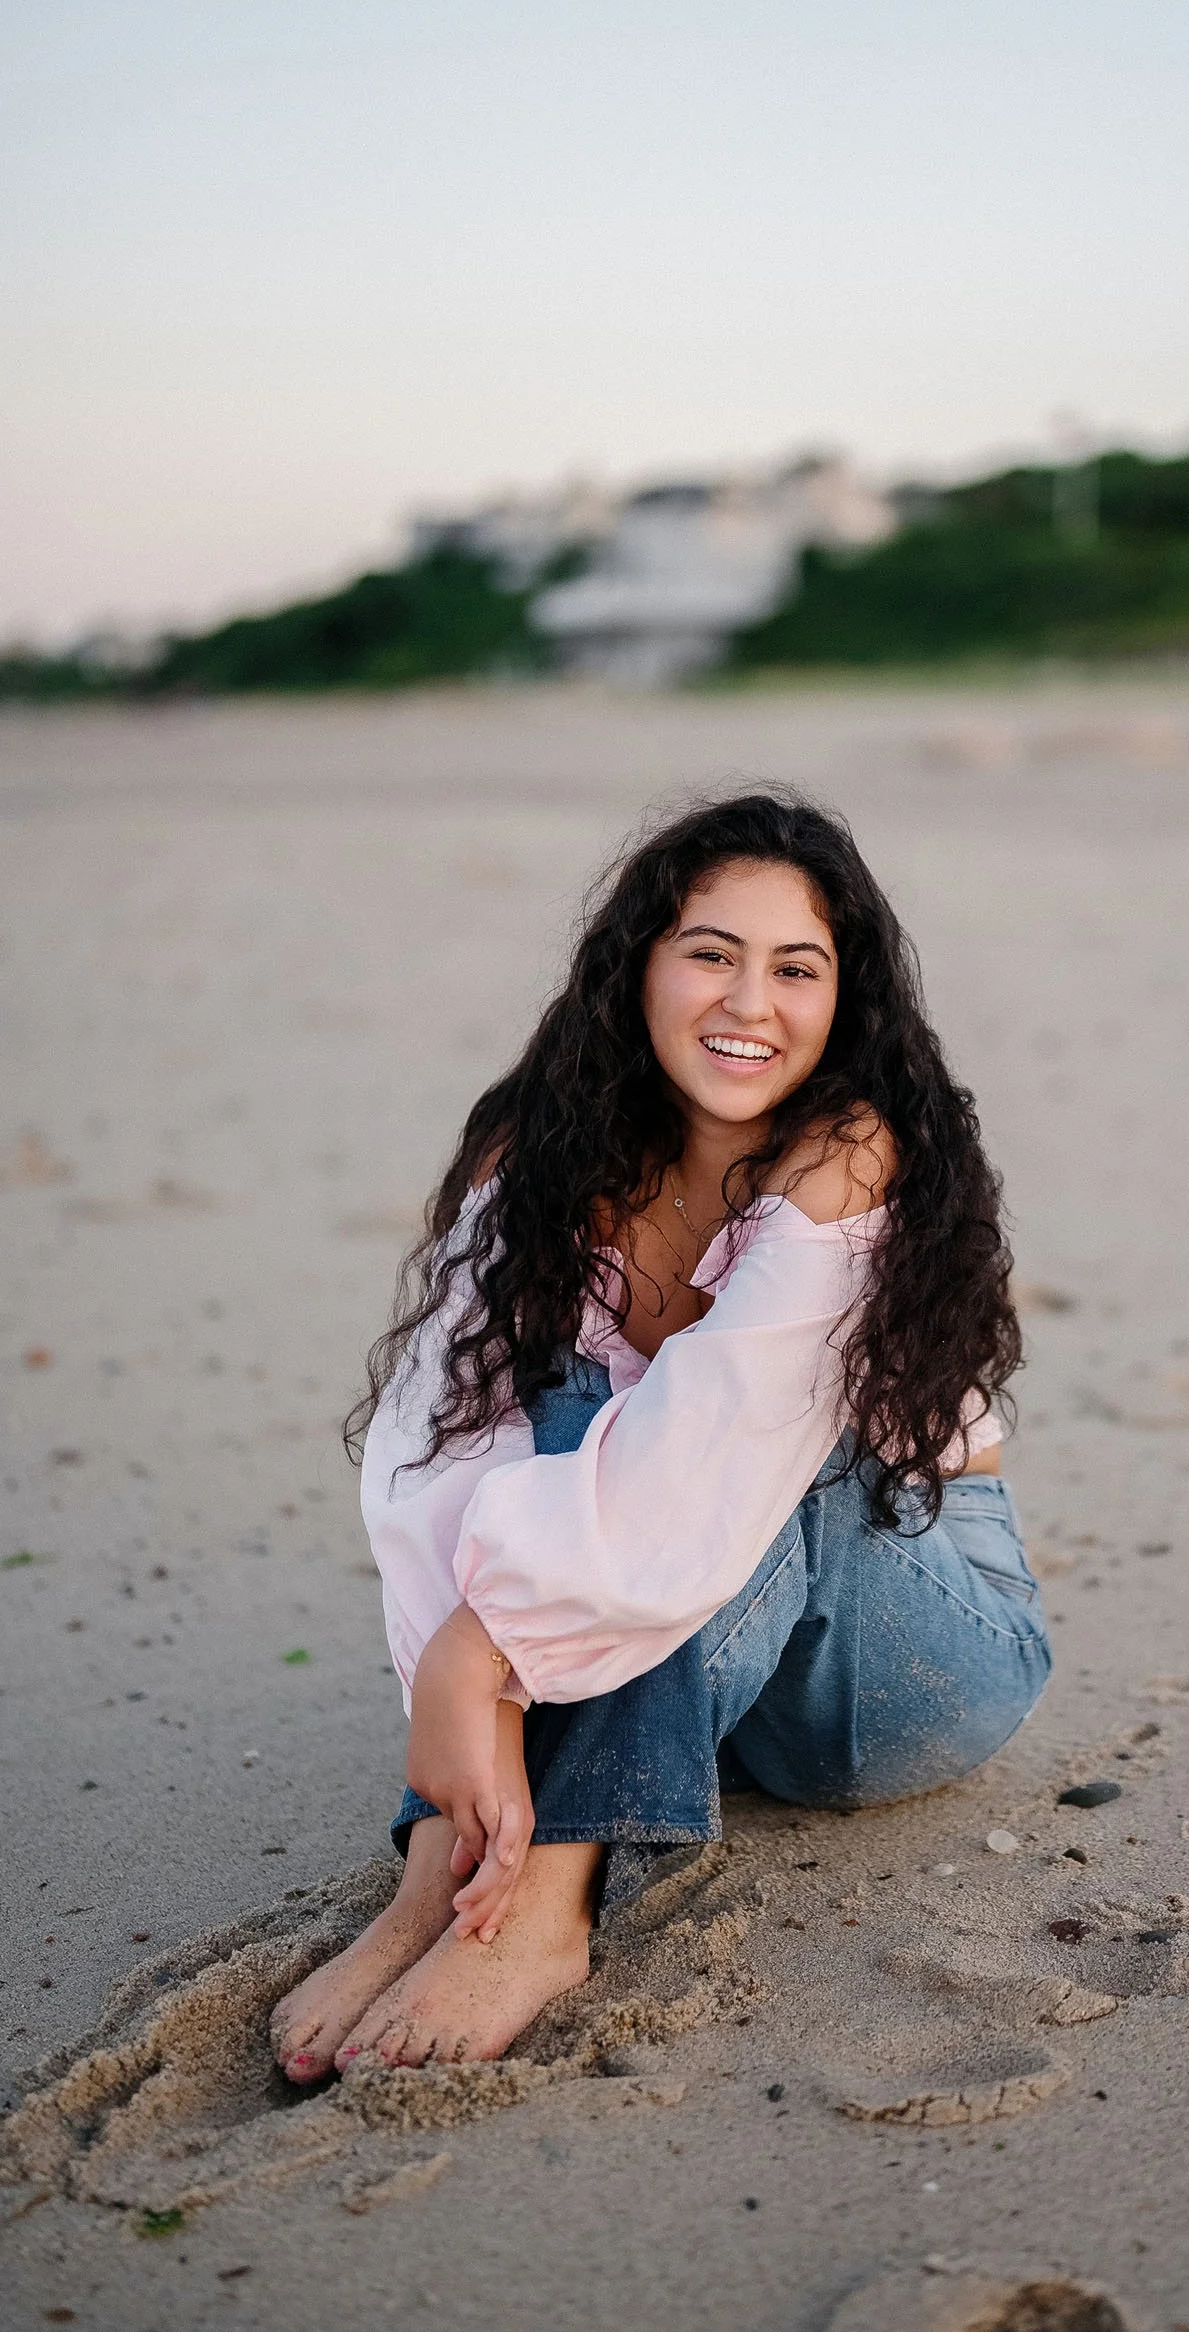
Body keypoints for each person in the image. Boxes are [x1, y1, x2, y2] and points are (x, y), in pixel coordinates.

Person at [271, 792, 1048, 2078]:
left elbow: (714, 1460)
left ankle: (542, 1906)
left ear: (839, 1003)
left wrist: (485, 1659)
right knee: (555, 1401)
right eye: (709, 952)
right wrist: (445, 1700)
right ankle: (438, 1876)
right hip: (707, 1663)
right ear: (639, 964)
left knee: (712, 1445)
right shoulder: (545, 1150)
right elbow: (439, 1449)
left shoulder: (849, 1152)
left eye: (795, 968)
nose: (748, 1003)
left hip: (910, 1646)